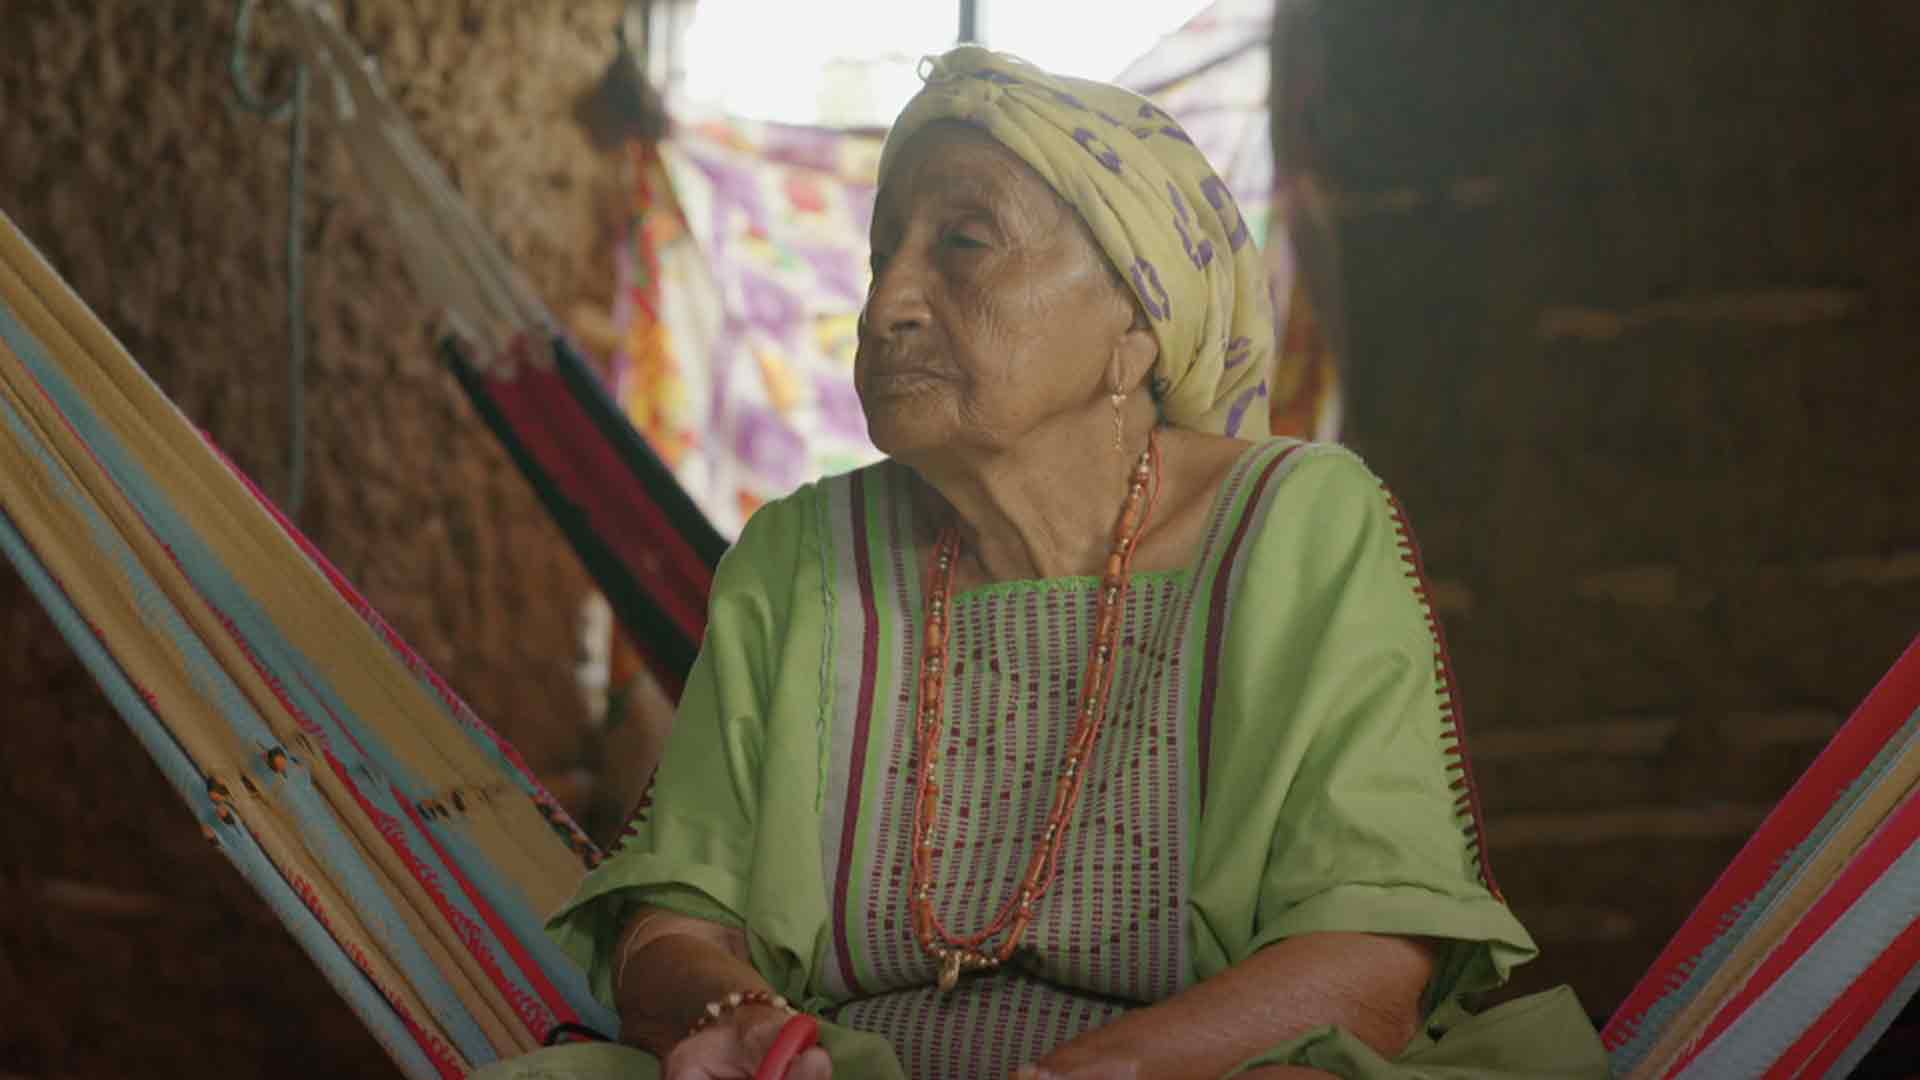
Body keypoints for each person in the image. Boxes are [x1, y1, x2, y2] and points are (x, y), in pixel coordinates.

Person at [477, 46, 1607, 1080]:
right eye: (884, 254)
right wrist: (730, 1017)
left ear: (1136, 322)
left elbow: (1371, 958)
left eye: (963, 243)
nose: (890, 303)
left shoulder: (1299, 524)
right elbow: (676, 919)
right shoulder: (800, 556)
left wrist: (1101, 1070)